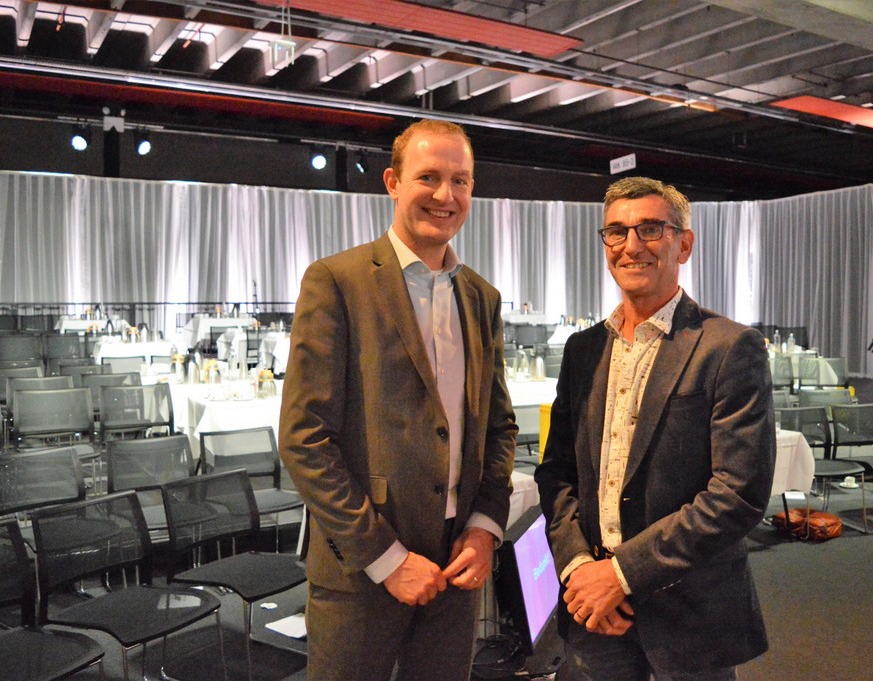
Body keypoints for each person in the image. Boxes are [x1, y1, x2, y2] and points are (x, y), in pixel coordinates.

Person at [278, 119, 517, 681]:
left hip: (458, 564)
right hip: (362, 566)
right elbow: (304, 438)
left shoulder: (481, 296)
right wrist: (387, 559)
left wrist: (485, 526)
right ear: (392, 182)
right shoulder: (337, 281)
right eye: (428, 177)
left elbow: (499, 428)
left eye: (460, 181)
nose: (445, 195)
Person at [534, 177, 775, 681]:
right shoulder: (583, 350)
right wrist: (579, 567)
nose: (631, 245)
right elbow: (557, 474)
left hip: (689, 613)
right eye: (616, 232)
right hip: (594, 612)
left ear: (684, 244)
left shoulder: (728, 347)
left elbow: (738, 493)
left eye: (650, 229)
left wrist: (621, 574)